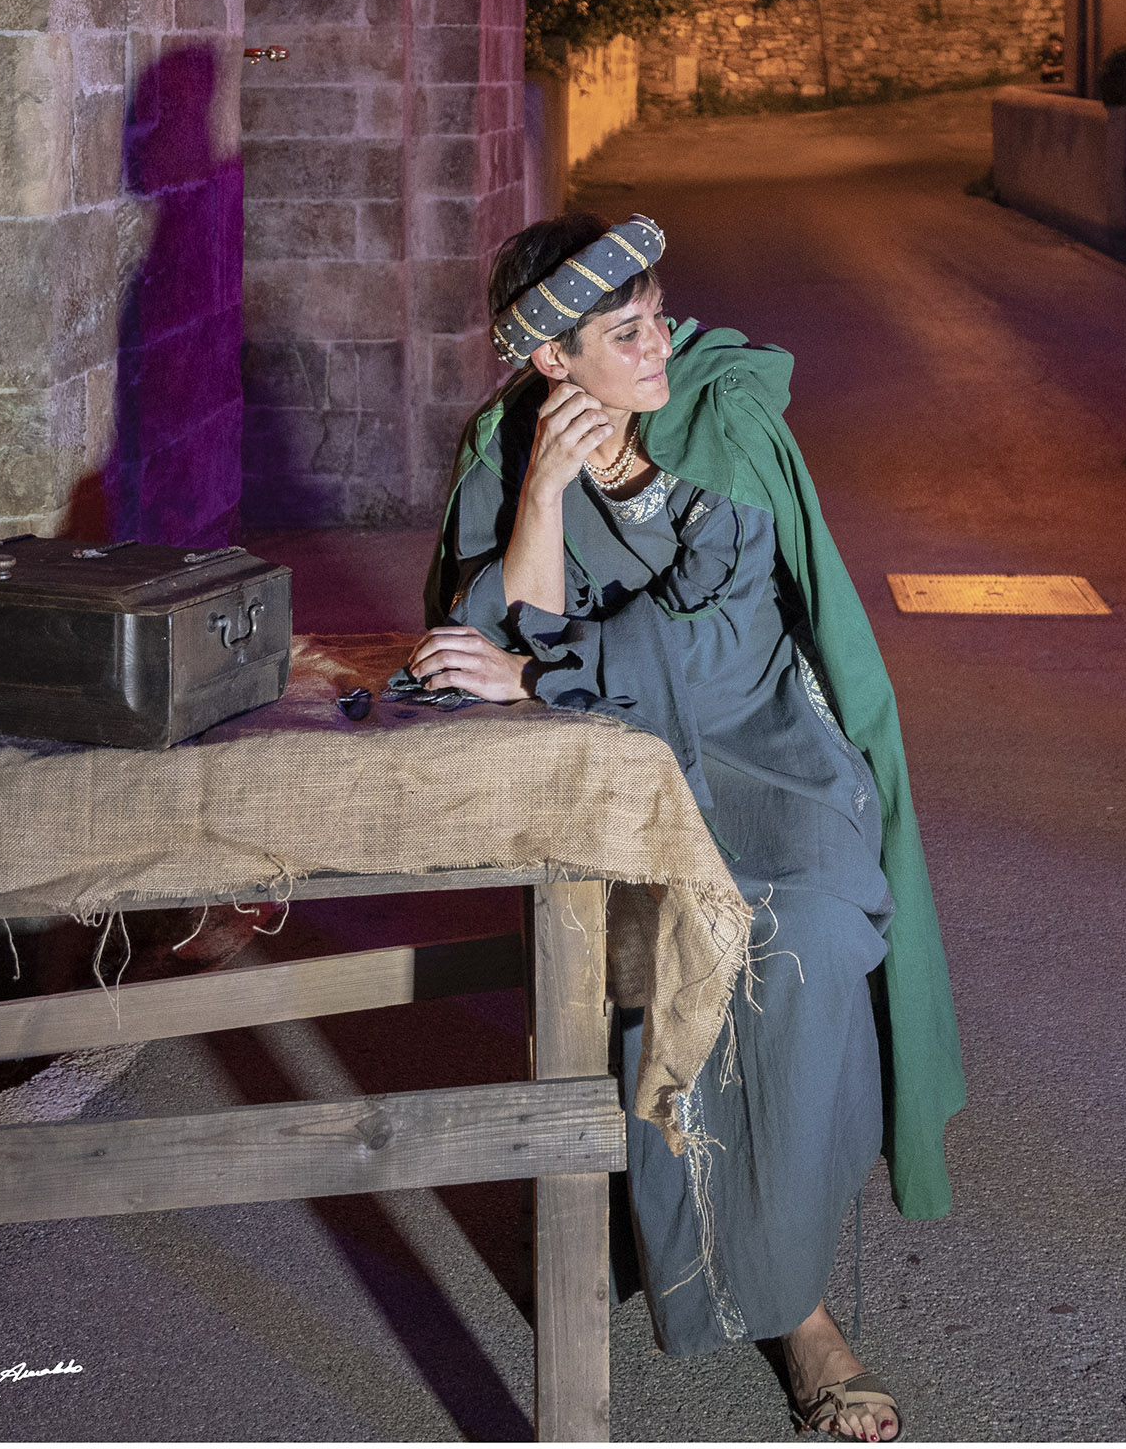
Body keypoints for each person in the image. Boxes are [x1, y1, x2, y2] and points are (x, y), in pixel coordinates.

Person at [411, 213, 963, 1441]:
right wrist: (544, 493)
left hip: (767, 757)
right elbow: (493, 637)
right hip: (625, 774)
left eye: (659, 317)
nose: (660, 345)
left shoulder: (719, 417)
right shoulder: (508, 444)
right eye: (626, 333)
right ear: (552, 360)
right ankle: (743, 1280)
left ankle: (794, 1297)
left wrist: (546, 666)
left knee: (803, 935)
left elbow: (721, 645)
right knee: (657, 942)